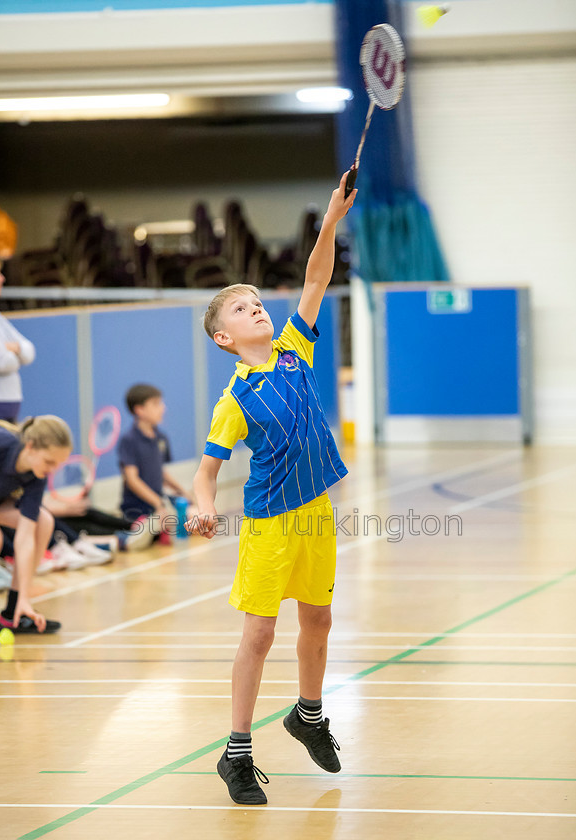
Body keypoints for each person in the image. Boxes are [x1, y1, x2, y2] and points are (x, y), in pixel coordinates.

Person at [188, 172, 356, 805]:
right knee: (259, 634)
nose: (255, 306)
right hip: (269, 521)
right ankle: (235, 752)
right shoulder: (234, 398)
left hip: (315, 512)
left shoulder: (294, 350)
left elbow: (315, 279)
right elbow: (207, 471)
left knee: (320, 617)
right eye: (240, 307)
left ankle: (307, 714)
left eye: (257, 299)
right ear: (224, 338)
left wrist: (331, 221)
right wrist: (203, 509)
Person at [0, 415, 72, 634]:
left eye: (57, 465)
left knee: (44, 522)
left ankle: (14, 613)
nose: (51, 469)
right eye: (49, 462)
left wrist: (25, 597)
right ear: (30, 447)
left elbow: (25, 538)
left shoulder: (36, 476)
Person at [117, 383, 191, 549]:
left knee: (196, 514)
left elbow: (161, 471)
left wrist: (183, 491)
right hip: (137, 507)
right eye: (156, 404)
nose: (163, 408)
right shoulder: (129, 440)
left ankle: (163, 526)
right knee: (164, 523)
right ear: (139, 410)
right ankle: (149, 528)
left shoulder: (160, 437)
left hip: (159, 500)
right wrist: (158, 503)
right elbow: (132, 480)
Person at [0, 248, 35, 423]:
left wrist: (16, 348)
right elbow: (2, 362)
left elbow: (29, 350)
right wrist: (14, 353)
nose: (2, 278)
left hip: (5, 412)